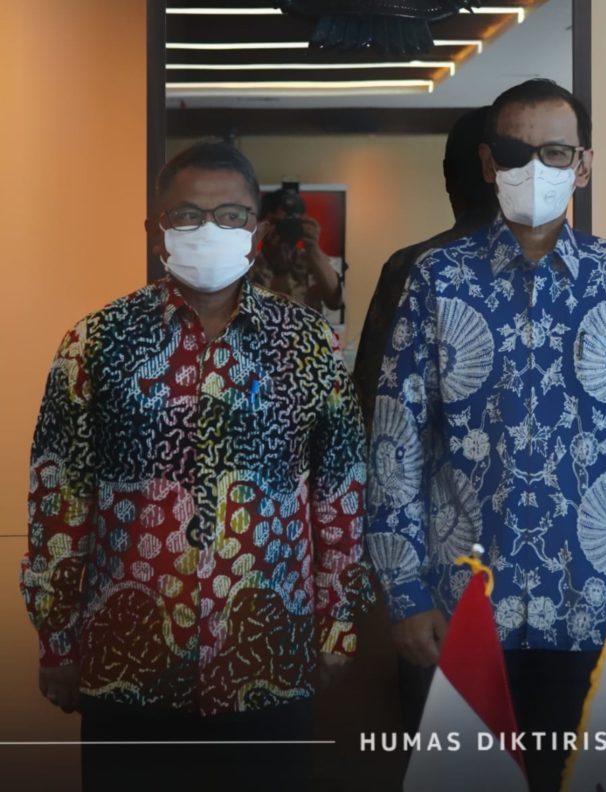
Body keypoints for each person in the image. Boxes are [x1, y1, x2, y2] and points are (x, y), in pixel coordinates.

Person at [366, 78, 606, 790]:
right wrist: (403, 589)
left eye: (555, 152)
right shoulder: (436, 279)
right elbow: (396, 440)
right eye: (516, 153)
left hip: (596, 602)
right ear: (488, 163)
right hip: (460, 605)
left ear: (584, 164)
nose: (534, 169)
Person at [20, 140, 372, 791]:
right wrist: (56, 640)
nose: (209, 229)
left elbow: (341, 494)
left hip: (268, 661)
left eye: (231, 215)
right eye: (186, 215)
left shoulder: (309, 345)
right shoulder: (95, 343)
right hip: (129, 669)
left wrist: (338, 625)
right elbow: (59, 500)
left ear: (257, 231)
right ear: (155, 230)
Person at [353, 105, 499, 436]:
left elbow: (371, 397)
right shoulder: (555, 269)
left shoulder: (410, 266)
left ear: (447, 176)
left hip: (424, 460)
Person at [252, 184, 343, 313]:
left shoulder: (313, 261)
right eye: (278, 224)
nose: (285, 230)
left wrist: (314, 250)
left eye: (291, 223)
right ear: (262, 225)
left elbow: (335, 302)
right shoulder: (249, 264)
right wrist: (279, 271)